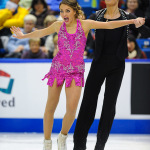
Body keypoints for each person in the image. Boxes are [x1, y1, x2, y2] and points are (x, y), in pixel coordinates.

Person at [10, 0, 145, 150]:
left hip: (75, 72)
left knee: (72, 110)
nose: (63, 14)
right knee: (50, 108)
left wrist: (132, 21)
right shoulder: (57, 25)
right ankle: (47, 142)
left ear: (74, 11)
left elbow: (109, 25)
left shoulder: (85, 24)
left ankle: (63, 136)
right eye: (61, 11)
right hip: (58, 69)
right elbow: (40, 32)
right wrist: (23, 36)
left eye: (67, 11)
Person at [73, 0, 149, 150]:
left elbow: (147, 32)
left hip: (117, 65)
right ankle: (79, 144)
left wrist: (140, 25)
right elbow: (82, 33)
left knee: (109, 105)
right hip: (98, 63)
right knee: (88, 102)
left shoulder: (127, 16)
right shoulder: (96, 16)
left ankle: (100, 145)